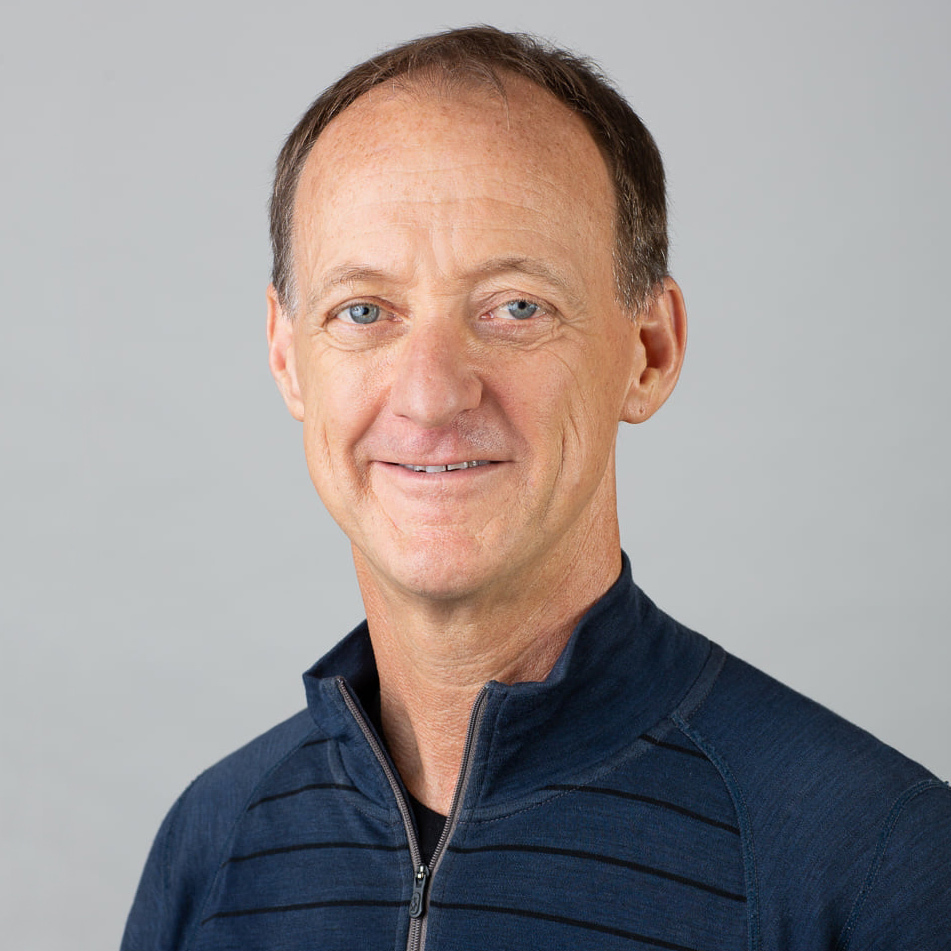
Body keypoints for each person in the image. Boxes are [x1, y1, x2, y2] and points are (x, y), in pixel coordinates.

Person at [121, 26, 951, 951]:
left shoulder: (878, 862)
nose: (433, 393)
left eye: (516, 307)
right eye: (364, 310)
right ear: (286, 356)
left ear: (648, 351)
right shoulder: (213, 849)